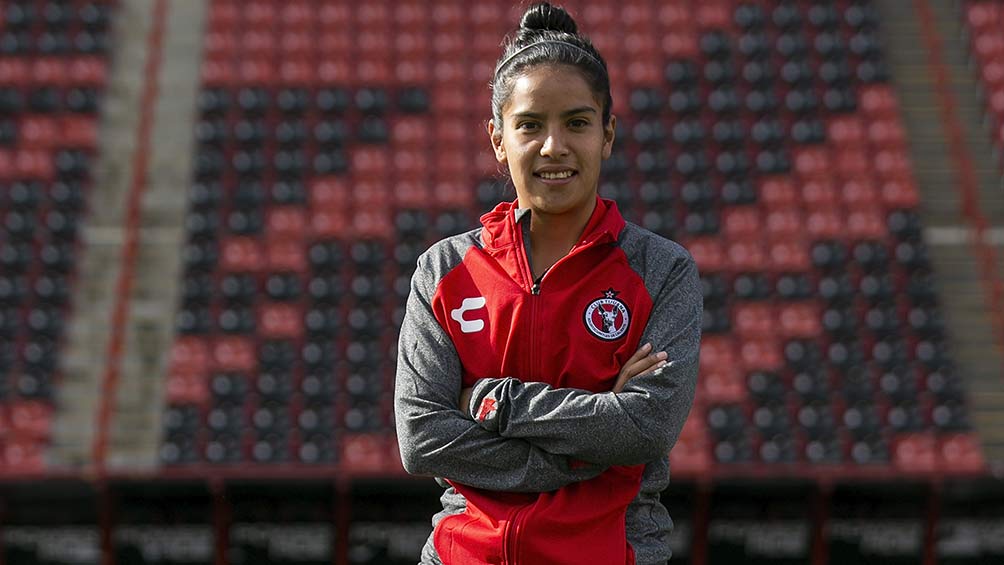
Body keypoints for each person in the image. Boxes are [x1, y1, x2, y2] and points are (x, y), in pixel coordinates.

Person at [394, 3, 702, 564]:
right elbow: (422, 438)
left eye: (577, 123)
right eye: (530, 125)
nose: (553, 146)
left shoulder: (662, 270)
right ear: (498, 139)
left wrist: (492, 402)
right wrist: (590, 441)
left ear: (607, 134)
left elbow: (646, 426)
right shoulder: (443, 270)